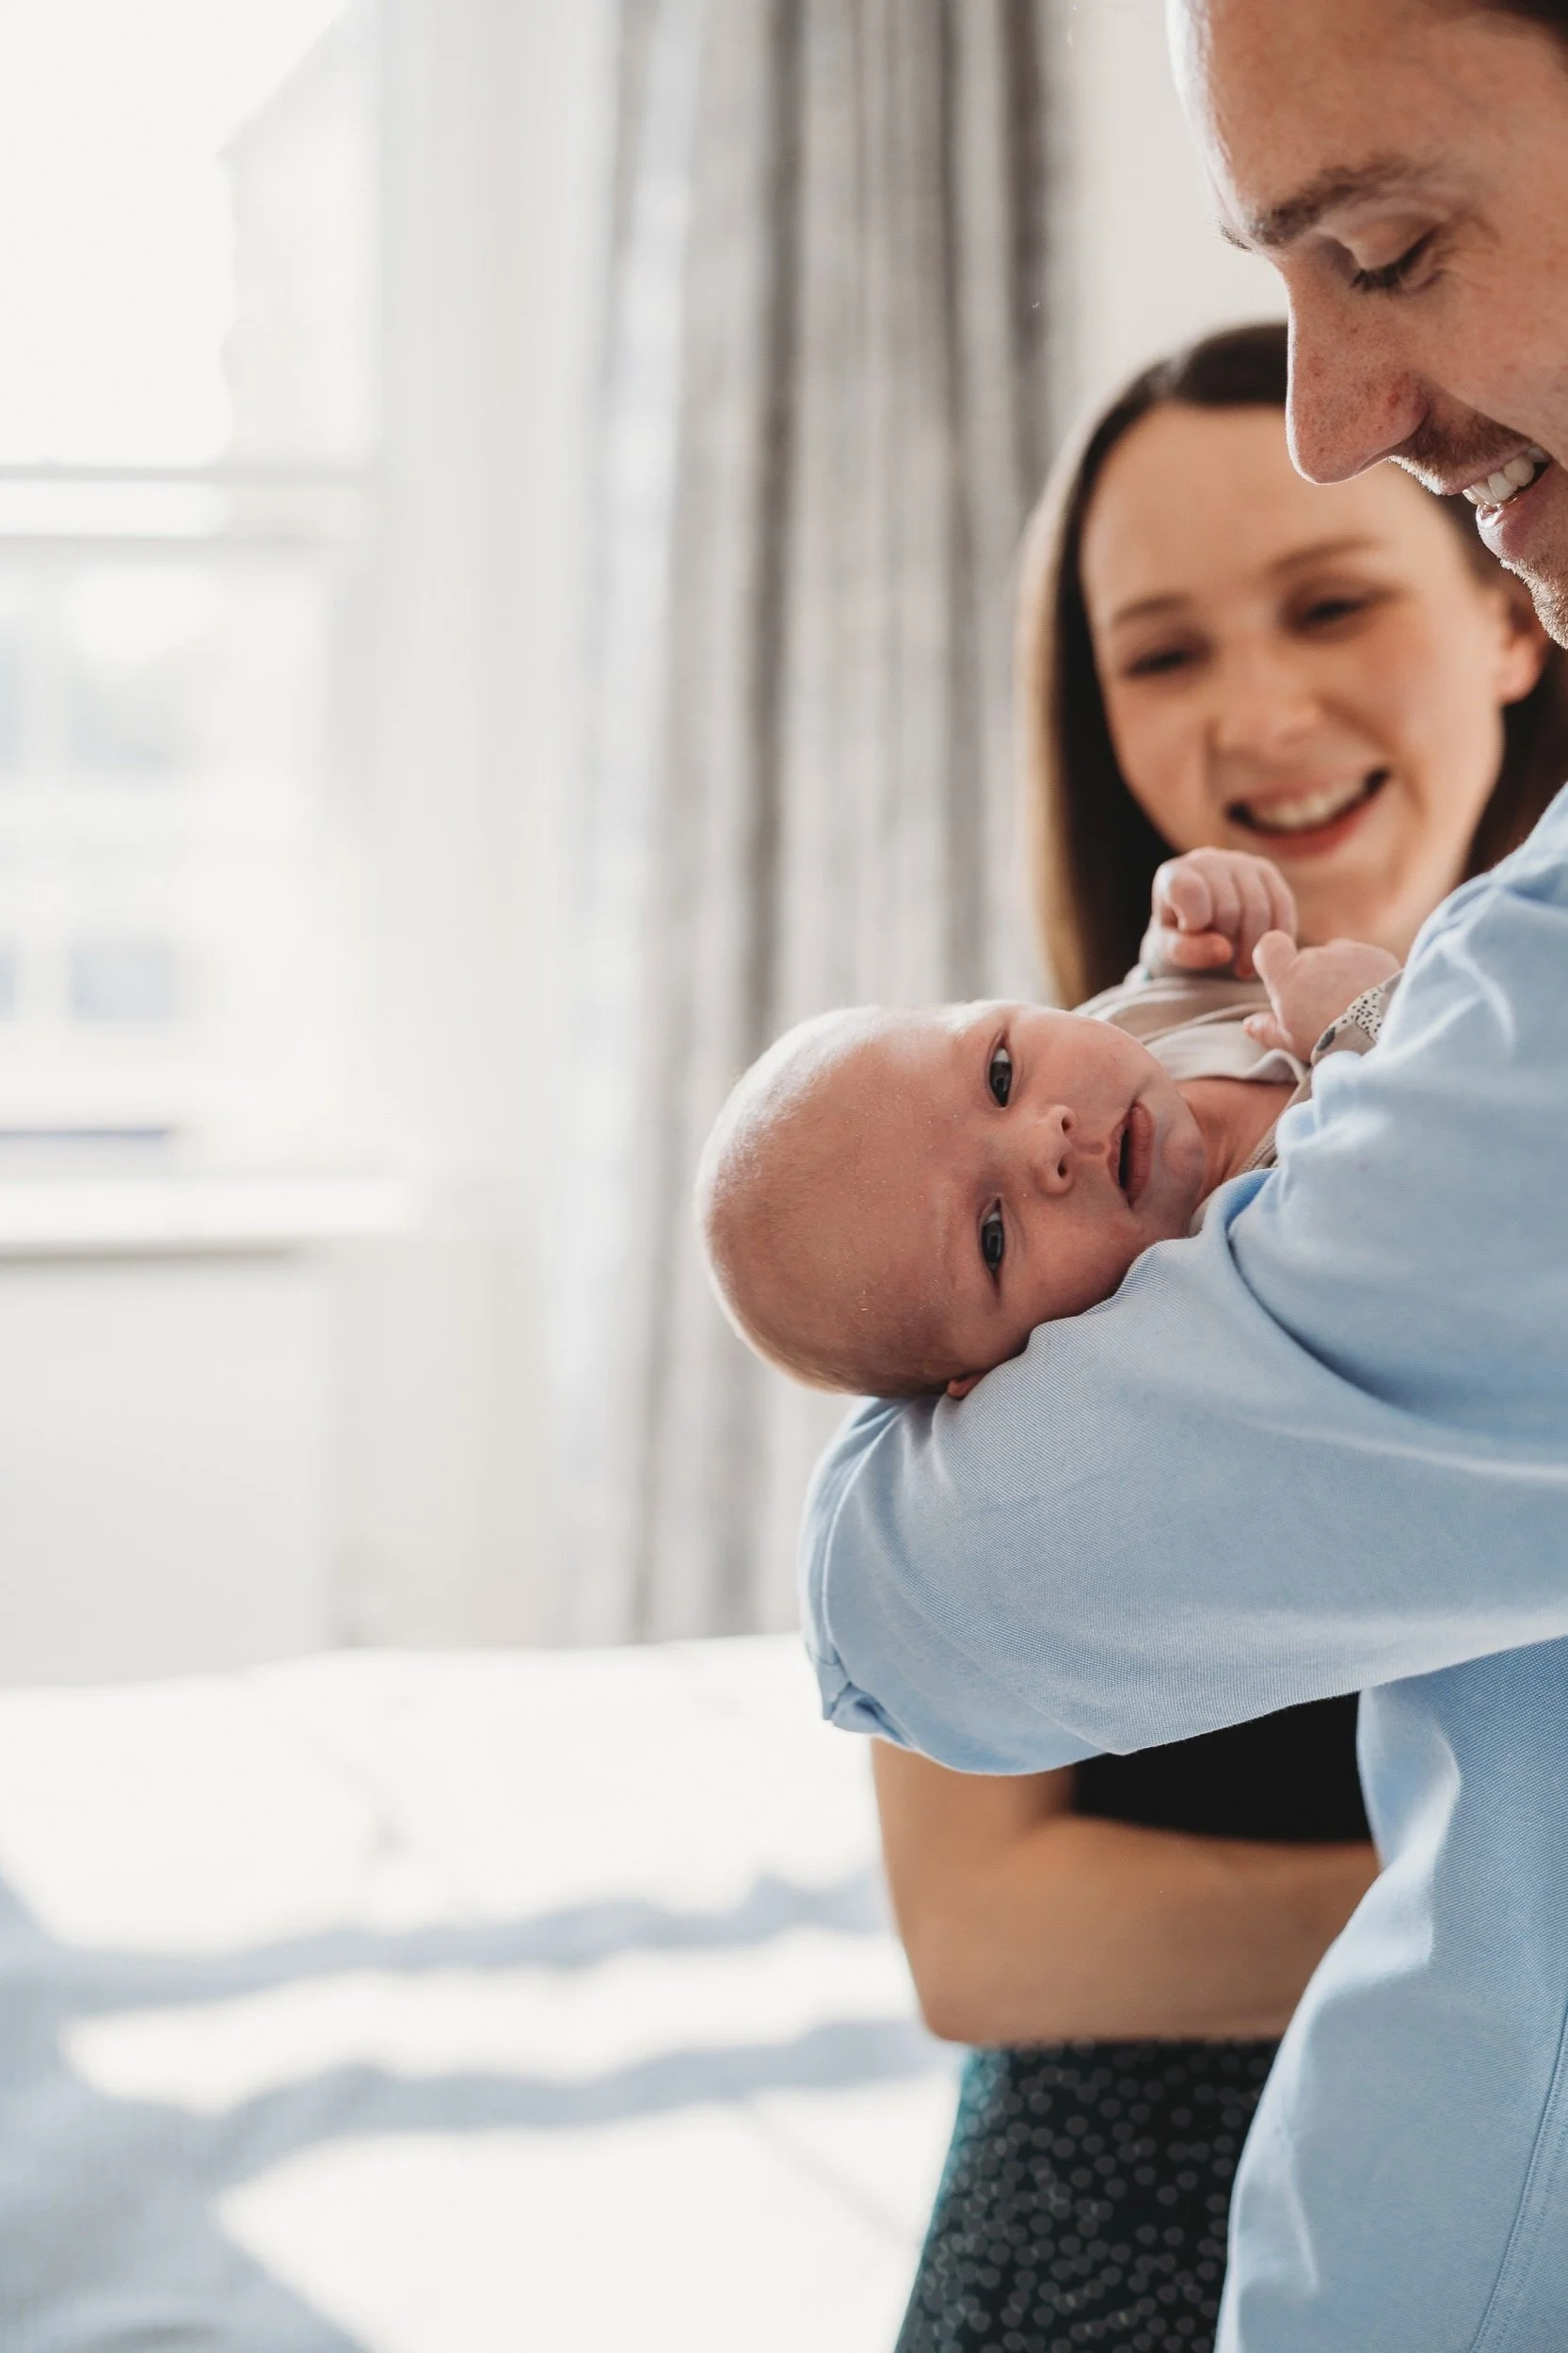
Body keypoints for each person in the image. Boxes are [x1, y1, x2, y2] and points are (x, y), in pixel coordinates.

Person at [801, 7, 1568, 2348]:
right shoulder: (983, 1171)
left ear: (1500, 628)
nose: (1250, 719)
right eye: (1159, 652)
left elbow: (909, 1592)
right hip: (1177, 2149)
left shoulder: (1458, 1059)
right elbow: (976, 1894)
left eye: (1333, 599)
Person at [697, 850, 1393, 1401]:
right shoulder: (1230, 1277)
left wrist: (1199, 930)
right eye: (992, 1237)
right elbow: (1431, 1167)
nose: (1045, 1141)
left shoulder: (1122, 1027)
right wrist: (1370, 1017)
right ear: (999, 1375)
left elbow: (1158, 991)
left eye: (999, 1075)